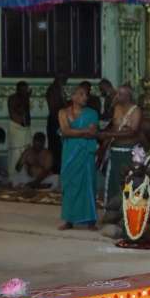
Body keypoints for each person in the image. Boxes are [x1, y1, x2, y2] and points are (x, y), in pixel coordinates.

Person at [57, 84, 101, 231]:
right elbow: (65, 131)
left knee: (87, 184)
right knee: (69, 184)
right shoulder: (62, 112)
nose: (85, 97)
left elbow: (93, 133)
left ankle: (90, 221)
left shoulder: (92, 113)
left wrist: (73, 131)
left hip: (85, 153)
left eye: (86, 94)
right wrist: (83, 132)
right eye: (81, 94)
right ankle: (69, 220)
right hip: (69, 153)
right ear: (73, 96)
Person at [100, 83, 143, 205]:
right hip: (115, 150)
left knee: (128, 182)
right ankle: (111, 210)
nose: (117, 96)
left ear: (128, 96)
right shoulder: (117, 108)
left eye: (120, 94)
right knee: (113, 181)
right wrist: (107, 139)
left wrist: (109, 135)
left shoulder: (136, 110)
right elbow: (115, 127)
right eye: (117, 93)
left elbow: (132, 132)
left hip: (129, 152)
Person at [6, 81, 34, 185]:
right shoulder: (13, 98)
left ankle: (25, 178)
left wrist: (26, 98)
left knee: (27, 151)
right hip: (16, 129)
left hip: (26, 129)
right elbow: (20, 111)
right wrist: (26, 98)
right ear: (18, 89)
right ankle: (13, 179)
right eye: (24, 89)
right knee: (16, 153)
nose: (25, 91)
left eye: (26, 89)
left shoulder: (25, 98)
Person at [44, 75, 67, 167]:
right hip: (55, 120)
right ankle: (55, 168)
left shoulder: (59, 89)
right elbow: (55, 107)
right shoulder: (53, 90)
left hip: (58, 120)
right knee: (56, 146)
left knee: (60, 146)